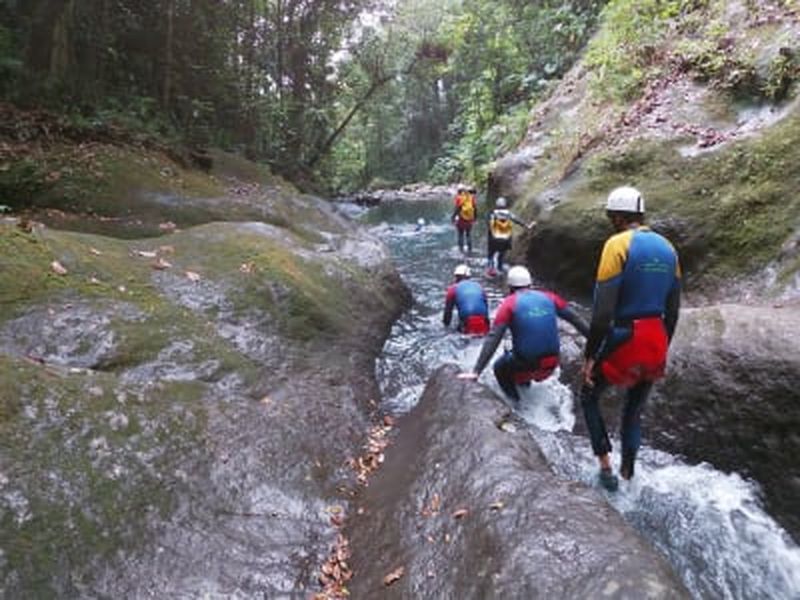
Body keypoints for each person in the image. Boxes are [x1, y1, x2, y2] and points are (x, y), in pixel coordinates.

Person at [579, 186, 681, 492]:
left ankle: (606, 468)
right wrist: (664, 346)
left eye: (611, 216)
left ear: (618, 216)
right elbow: (673, 310)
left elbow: (602, 313)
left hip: (627, 334)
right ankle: (628, 473)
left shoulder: (617, 245)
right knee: (634, 409)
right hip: (657, 337)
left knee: (589, 395)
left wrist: (590, 356)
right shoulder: (668, 248)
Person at [458, 265, 589, 403]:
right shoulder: (550, 297)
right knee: (517, 356)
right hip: (552, 362)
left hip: (528, 364)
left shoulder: (509, 304)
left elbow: (493, 338)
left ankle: (516, 405)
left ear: (510, 287)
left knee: (499, 367)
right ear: (530, 284)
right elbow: (576, 319)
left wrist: (476, 371)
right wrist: (595, 341)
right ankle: (526, 390)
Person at [486, 197, 535, 276]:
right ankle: (500, 269)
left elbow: (489, 227)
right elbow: (518, 221)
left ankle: (490, 269)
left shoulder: (493, 214)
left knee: (490, 255)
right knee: (501, 256)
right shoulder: (509, 214)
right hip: (506, 239)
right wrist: (527, 226)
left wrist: (490, 240)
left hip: (494, 239)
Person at [443, 264, 490, 335]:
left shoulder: (452, 289)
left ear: (456, 277)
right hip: (484, 321)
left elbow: (448, 313)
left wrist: (445, 327)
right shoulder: (479, 287)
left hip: (467, 322)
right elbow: (486, 307)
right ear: (469, 277)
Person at [451, 186, 477, 253]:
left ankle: (461, 250)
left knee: (460, 234)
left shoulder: (459, 198)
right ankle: (470, 249)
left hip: (461, 219)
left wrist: (453, 217)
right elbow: (475, 209)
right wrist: (475, 218)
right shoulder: (471, 198)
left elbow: (457, 208)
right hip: (470, 219)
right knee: (468, 234)